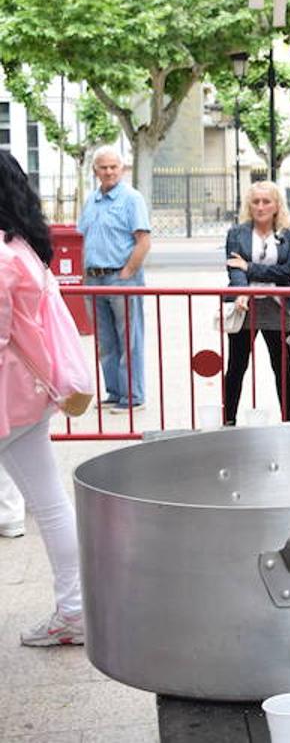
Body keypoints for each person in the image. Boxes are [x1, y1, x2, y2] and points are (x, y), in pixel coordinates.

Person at [0, 151, 86, 646]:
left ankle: (75, 610)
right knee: (51, 504)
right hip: (28, 396)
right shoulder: (23, 247)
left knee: (50, 504)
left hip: (9, 398)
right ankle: (74, 609)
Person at [77, 145, 150, 412]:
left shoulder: (132, 198)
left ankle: (133, 396)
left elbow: (143, 241)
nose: (108, 172)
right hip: (94, 280)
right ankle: (114, 392)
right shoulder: (91, 200)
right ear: (95, 170)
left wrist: (126, 273)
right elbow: (84, 238)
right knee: (105, 341)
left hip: (120, 278)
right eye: (103, 167)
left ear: (122, 168)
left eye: (113, 167)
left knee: (129, 339)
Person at [223, 181, 290, 425]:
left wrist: (250, 268)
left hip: (277, 307)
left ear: (277, 205)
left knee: (282, 368)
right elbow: (234, 270)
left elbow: (289, 271)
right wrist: (242, 290)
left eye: (266, 201)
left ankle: (289, 419)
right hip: (245, 306)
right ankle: (228, 420)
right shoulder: (237, 233)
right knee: (237, 365)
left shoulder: (288, 235)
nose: (260, 206)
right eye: (255, 201)